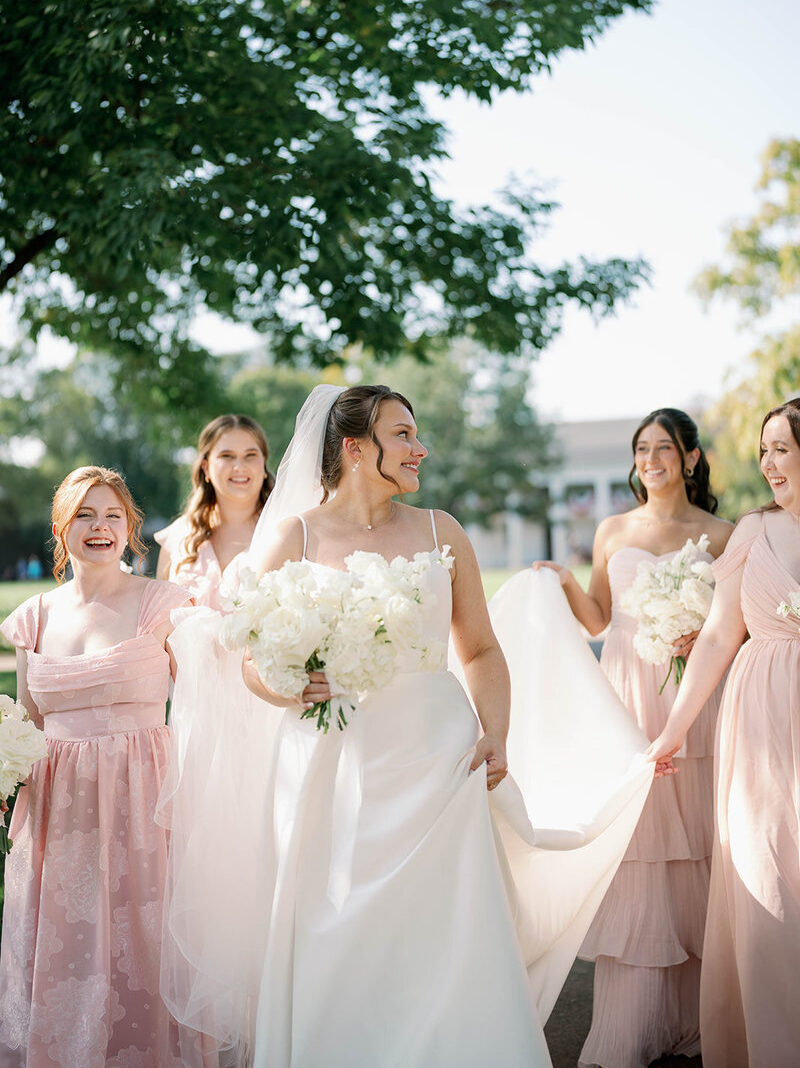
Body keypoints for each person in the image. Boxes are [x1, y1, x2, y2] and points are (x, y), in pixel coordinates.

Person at [160, 384, 655, 1068]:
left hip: (436, 764)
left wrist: (496, 733)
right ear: (355, 448)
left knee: (446, 940)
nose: (419, 448)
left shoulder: (440, 531)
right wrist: (285, 686)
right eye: (404, 435)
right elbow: (249, 659)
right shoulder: (293, 535)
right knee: (336, 937)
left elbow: (480, 649)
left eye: (416, 435)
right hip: (332, 767)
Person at [533, 407, 731, 1068]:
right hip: (624, 700)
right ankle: (628, 1027)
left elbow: (739, 627)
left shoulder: (723, 536)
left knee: (696, 848)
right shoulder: (613, 529)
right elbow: (596, 615)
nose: (651, 459)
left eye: (665, 448)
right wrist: (562, 580)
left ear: (692, 458)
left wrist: (696, 637)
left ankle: (702, 1019)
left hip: (691, 704)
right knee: (639, 846)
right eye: (642, 448)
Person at [0, 466, 210, 1067]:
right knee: (67, 949)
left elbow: (208, 701)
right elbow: (28, 723)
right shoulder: (33, 619)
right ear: (62, 528)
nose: (100, 527)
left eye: (113, 515)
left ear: (131, 529)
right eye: (85, 515)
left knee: (143, 945)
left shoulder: (164, 604)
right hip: (58, 811)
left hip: (145, 802)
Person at [648, 398, 800, 1068]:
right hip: (765, 720)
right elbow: (716, 636)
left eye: (782, 449)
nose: (769, 463)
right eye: (764, 450)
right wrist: (673, 731)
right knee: (768, 879)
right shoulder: (754, 533)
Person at [155, 413, 275, 609]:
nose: (239, 466)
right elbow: (158, 621)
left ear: (263, 463)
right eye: (226, 456)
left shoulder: (283, 531)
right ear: (206, 467)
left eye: (250, 455)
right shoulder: (177, 537)